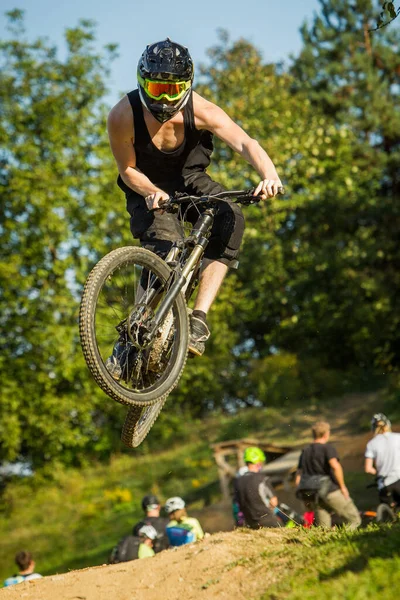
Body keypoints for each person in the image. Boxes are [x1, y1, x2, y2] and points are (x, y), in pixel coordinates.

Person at [106, 37, 282, 375]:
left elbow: (245, 141)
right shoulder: (122, 115)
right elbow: (127, 169)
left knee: (230, 218)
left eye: (174, 90)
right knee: (166, 246)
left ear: (188, 86)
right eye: (157, 88)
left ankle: (198, 318)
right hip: (146, 185)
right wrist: (152, 193)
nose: (165, 98)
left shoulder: (201, 110)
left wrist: (269, 175)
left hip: (190, 180)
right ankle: (131, 337)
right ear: (143, 82)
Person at [295, 421, 361, 530]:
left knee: (323, 527)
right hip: (329, 491)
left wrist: (301, 491)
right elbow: (335, 467)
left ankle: (325, 544)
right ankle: (344, 541)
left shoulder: (305, 451)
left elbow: (299, 474)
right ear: (326, 434)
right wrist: (343, 487)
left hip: (313, 494)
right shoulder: (327, 448)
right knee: (354, 519)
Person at [234, 446, 281, 529]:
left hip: (250, 522)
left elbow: (238, 502)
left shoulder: (238, 481)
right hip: (267, 520)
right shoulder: (262, 479)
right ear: (258, 462)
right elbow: (274, 502)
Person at [365, 413, 400, 507]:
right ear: (387, 424)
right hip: (398, 477)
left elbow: (368, 468)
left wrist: (378, 472)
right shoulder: (398, 437)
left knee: (388, 517)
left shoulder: (371, 444)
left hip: (385, 483)